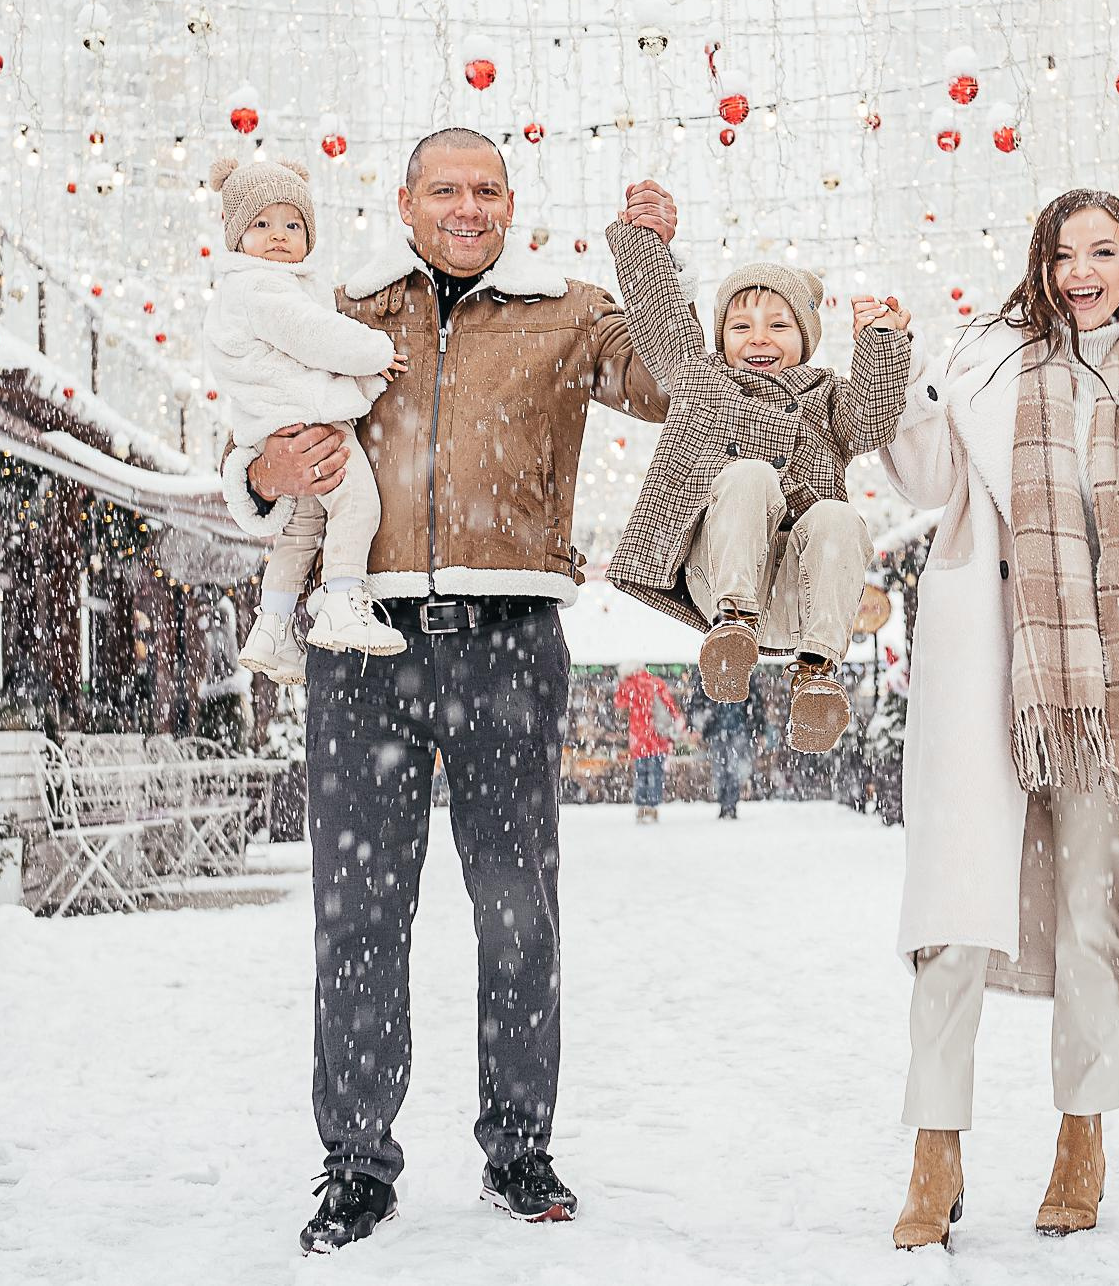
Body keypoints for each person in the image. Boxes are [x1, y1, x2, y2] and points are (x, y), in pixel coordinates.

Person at [221, 130, 672, 1254]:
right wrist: (264, 475)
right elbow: (246, 444)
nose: (466, 207)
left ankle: (520, 1153)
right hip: (360, 639)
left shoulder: (568, 310)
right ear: (406, 200)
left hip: (510, 642)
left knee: (518, 914)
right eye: (445, 189)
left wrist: (655, 263)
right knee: (360, 916)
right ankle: (356, 1166)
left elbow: (674, 390)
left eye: (486, 190)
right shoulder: (341, 307)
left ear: (511, 202)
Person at [877, 188, 1119, 1250]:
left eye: (1104, 251)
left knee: (1096, 916)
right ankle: (934, 1148)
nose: (1081, 271)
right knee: (954, 922)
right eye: (1063, 253)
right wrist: (900, 375)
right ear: (1038, 264)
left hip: (1117, 697)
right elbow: (925, 477)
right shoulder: (988, 362)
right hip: (990, 673)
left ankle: (1081, 1137)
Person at [601, 201, 912, 752]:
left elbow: (873, 418)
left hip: (800, 596)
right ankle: (734, 629)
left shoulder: (827, 401)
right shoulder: (701, 379)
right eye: (740, 326)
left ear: (806, 339)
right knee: (749, 476)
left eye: (778, 325)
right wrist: (643, 237)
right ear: (720, 341)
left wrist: (881, 343)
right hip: (718, 579)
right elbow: (659, 319)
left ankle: (817, 673)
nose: (758, 337)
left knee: (839, 515)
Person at [201, 156, 411, 682]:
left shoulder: (267, 287)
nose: (278, 236)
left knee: (302, 527)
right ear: (235, 235)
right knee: (358, 504)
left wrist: (363, 380)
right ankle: (343, 600)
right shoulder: (263, 289)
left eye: (293, 224)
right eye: (261, 224)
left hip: (282, 422)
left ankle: (271, 628)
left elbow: (303, 359)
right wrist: (375, 352)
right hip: (311, 426)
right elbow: (317, 337)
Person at [612, 659, 679, 823]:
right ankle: (652, 807)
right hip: (658, 737)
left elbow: (618, 704)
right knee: (656, 774)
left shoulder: (628, 685)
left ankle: (642, 807)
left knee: (641, 774)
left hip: (639, 737)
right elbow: (670, 707)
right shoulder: (656, 682)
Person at [700, 670, 763, 818]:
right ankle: (727, 804)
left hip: (735, 728)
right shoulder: (742, 671)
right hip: (726, 728)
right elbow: (756, 702)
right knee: (724, 769)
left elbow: (755, 702)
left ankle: (729, 804)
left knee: (730, 769)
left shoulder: (741, 671)